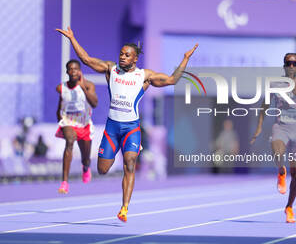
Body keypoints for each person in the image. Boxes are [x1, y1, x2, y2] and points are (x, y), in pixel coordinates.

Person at [56, 26, 198, 222]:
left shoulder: (144, 76)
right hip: (112, 129)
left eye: (127, 55)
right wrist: (72, 38)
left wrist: (185, 58)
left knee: (130, 164)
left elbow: (173, 79)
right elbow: (87, 60)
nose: (122, 57)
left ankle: (124, 208)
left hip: (131, 129)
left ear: (134, 59)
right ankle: (100, 161)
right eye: (121, 54)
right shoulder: (110, 69)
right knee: (103, 169)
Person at [251, 53, 296, 223]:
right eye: (288, 63)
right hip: (281, 126)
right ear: (284, 65)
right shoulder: (275, 83)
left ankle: (289, 207)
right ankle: (280, 170)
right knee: (277, 150)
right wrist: (258, 128)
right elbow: (264, 105)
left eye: (295, 63)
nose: (291, 66)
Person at [55, 59, 98, 194]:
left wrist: (83, 87)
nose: (73, 71)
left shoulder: (89, 85)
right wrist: (61, 122)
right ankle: (65, 182)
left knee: (86, 157)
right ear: (67, 71)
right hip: (68, 122)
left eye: (76, 69)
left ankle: (85, 167)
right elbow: (60, 105)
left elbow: (94, 103)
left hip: (84, 124)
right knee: (69, 141)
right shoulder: (61, 88)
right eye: (70, 69)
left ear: (80, 71)